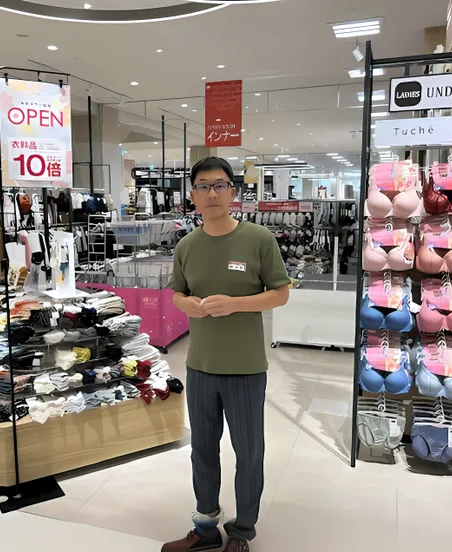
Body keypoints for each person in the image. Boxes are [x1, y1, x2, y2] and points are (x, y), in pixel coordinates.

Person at [163, 157, 290, 552]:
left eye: (220, 185)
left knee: (249, 453)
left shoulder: (258, 239)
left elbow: (281, 293)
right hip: (200, 365)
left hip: (245, 367)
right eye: (203, 186)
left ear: (233, 192)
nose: (212, 193)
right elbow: (177, 292)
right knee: (202, 449)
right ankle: (204, 527)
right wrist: (186, 305)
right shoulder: (186, 245)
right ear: (193, 195)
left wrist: (236, 304)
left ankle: (242, 531)